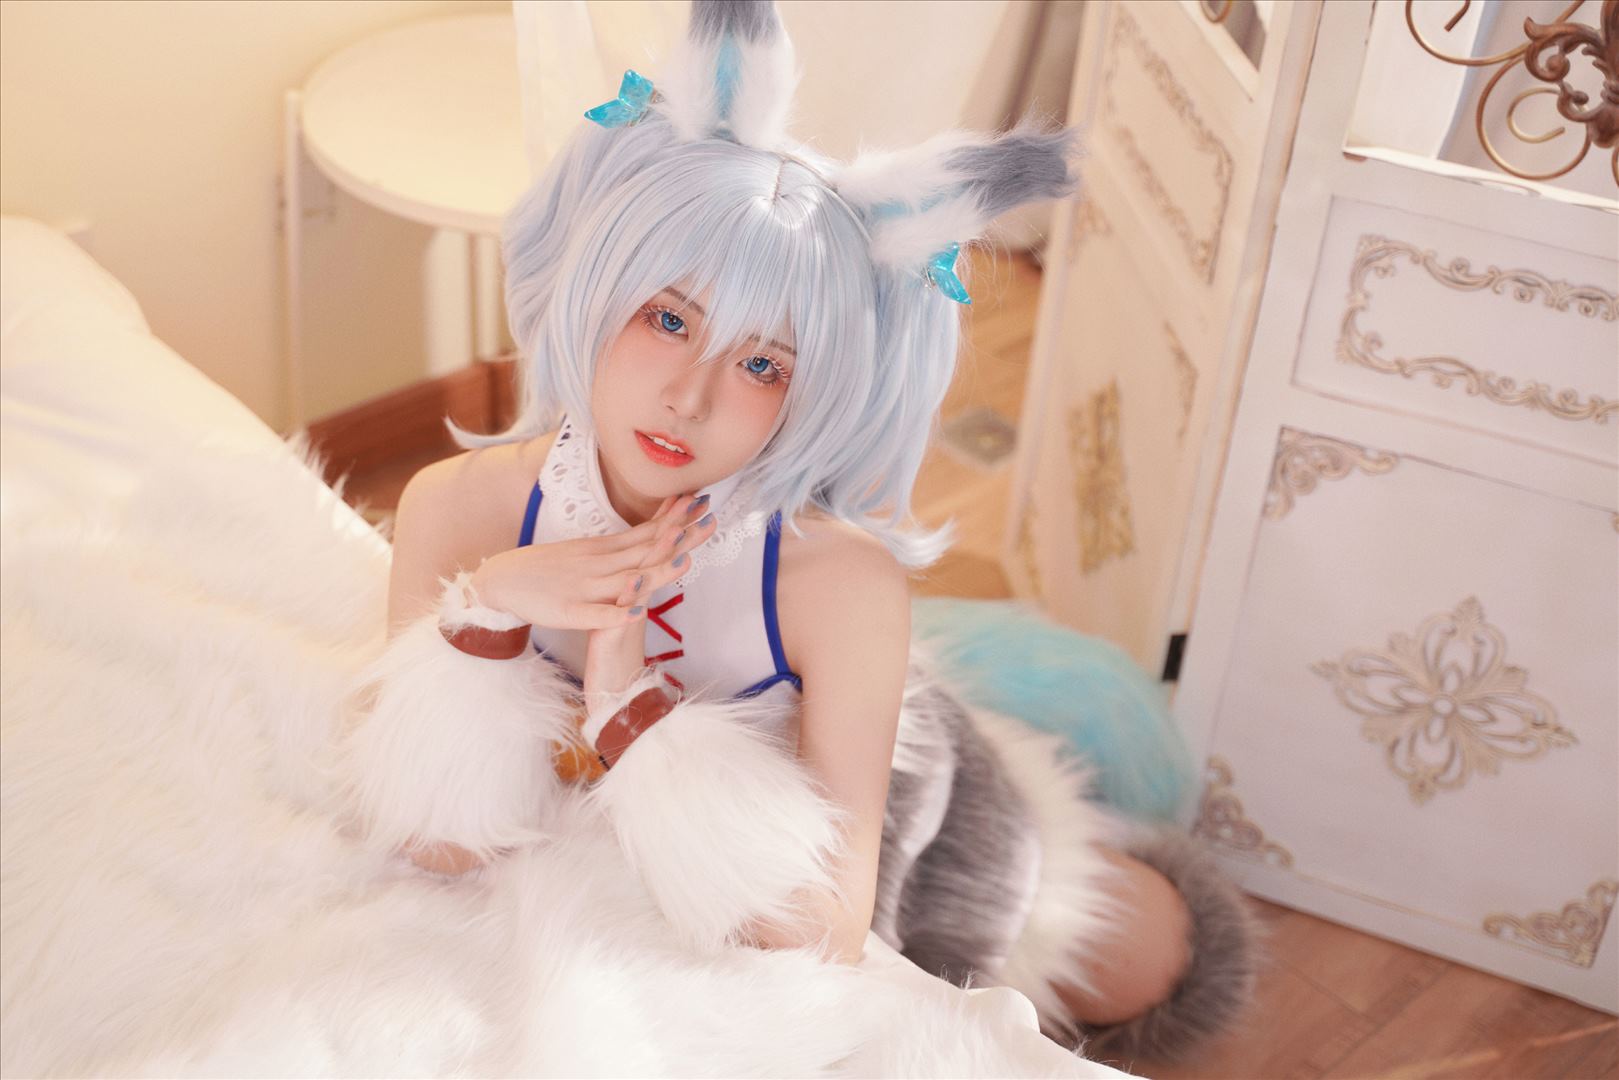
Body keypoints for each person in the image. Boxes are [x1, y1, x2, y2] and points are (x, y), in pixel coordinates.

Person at [361, 0, 1256, 1061]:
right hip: (729, 800)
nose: (689, 396)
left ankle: (1091, 801)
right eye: (667, 319)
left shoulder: (840, 584)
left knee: (1172, 960)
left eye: (760, 364)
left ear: (815, 389)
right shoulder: (457, 511)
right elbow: (431, 843)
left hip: (919, 836)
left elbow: (828, 929)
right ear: (600, 293)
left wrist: (627, 707)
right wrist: (494, 605)